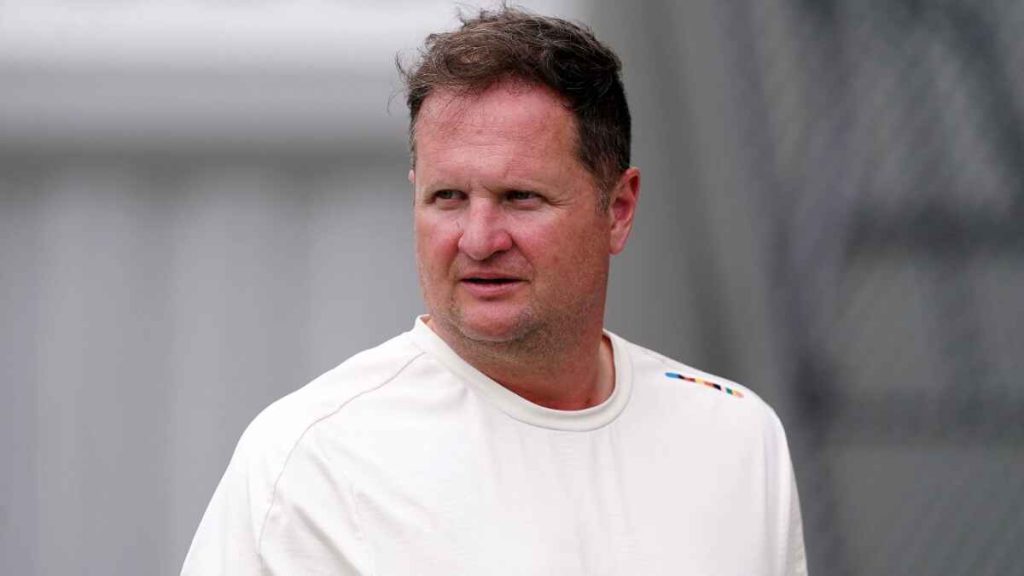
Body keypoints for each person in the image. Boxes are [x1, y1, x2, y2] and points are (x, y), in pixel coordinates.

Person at [181, 7, 807, 575]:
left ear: (617, 209)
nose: (479, 239)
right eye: (447, 197)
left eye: (520, 198)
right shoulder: (310, 463)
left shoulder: (736, 438)